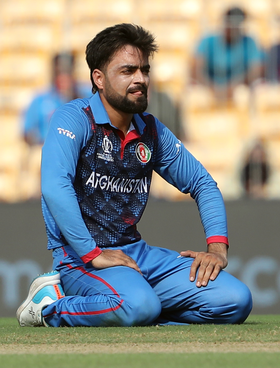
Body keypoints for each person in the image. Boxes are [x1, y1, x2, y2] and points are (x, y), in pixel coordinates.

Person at [17, 23, 252, 328]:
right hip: (80, 259)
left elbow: (203, 184)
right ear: (98, 79)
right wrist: (92, 253)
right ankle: (48, 308)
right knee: (137, 305)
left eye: (144, 69)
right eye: (127, 71)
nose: (140, 79)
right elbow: (54, 185)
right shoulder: (74, 118)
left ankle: (141, 313)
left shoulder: (151, 130)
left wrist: (217, 250)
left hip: (136, 255)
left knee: (235, 301)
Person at [191, 7, 263, 99]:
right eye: (228, 23)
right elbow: (196, 70)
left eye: (235, 25)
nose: (230, 28)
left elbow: (255, 71)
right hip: (209, 90)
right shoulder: (208, 41)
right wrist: (212, 88)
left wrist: (234, 86)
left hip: (238, 91)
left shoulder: (249, 42)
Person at [22, 52, 85, 146]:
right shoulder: (40, 101)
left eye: (67, 72)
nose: (63, 77)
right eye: (59, 72)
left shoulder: (87, 97)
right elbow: (27, 133)